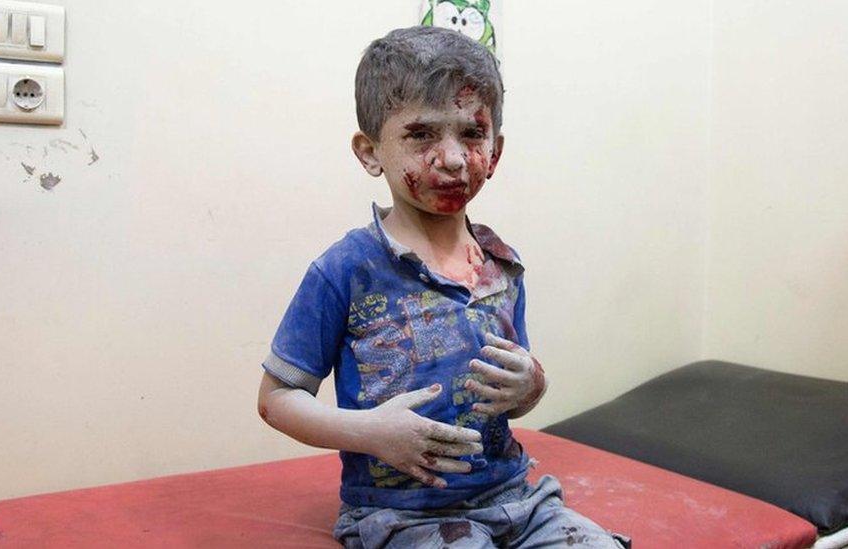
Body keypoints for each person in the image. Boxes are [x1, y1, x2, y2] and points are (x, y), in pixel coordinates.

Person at [257, 25, 628, 549]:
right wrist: (370, 434)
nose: (452, 158)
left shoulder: (502, 265)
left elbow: (511, 389)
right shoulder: (345, 270)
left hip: (515, 497)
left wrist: (533, 385)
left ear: (494, 152)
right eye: (421, 134)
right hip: (403, 514)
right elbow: (277, 399)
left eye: (471, 135)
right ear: (370, 153)